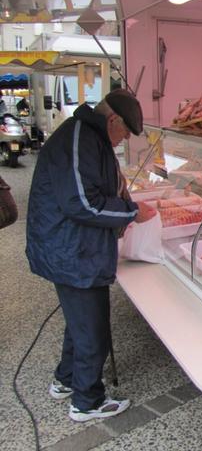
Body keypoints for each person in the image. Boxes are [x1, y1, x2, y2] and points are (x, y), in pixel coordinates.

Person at [25, 89, 156, 422]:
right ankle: (87, 402)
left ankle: (66, 379)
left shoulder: (88, 135)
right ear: (112, 119)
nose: (125, 139)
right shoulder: (79, 139)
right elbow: (82, 204)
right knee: (92, 329)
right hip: (72, 250)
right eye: (125, 131)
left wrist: (122, 196)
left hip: (74, 246)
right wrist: (131, 212)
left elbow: (95, 188)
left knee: (80, 323)